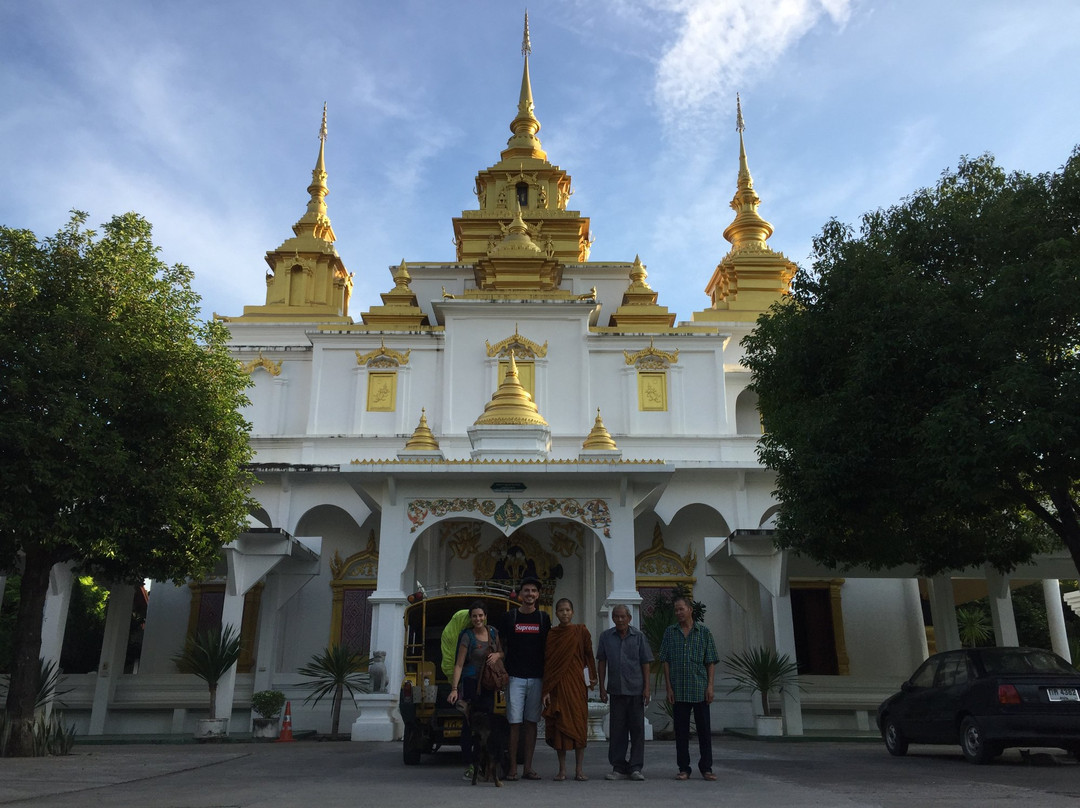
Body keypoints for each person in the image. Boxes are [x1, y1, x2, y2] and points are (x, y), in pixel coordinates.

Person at [658, 595, 719, 781]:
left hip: (700, 689)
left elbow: (710, 662)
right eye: (676, 610)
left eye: (681, 609)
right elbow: (665, 661)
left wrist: (710, 686)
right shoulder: (670, 632)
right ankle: (684, 768)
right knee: (682, 732)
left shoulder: (704, 632)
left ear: (690, 610)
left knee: (704, 731)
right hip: (679, 690)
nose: (678, 613)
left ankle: (706, 768)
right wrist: (668, 687)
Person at [500, 576, 551, 781]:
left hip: (537, 677)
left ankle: (528, 768)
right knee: (514, 723)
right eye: (526, 591)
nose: (530, 594)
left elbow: (549, 649)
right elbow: (501, 645)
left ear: (538, 595)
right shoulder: (509, 617)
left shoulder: (543, 619)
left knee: (531, 723)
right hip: (514, 677)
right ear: (520, 595)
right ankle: (512, 768)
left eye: (533, 591)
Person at [541, 598, 598, 781]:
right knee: (560, 727)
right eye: (561, 610)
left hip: (577, 685)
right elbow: (549, 663)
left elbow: (589, 655)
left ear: (572, 612)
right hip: (558, 686)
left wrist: (591, 678)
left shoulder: (581, 632)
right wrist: (547, 690)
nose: (564, 613)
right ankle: (562, 770)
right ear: (556, 613)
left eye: (567, 610)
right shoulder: (552, 634)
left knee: (579, 726)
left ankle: (579, 770)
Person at [596, 604, 653, 781]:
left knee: (637, 731)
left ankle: (636, 767)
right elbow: (602, 662)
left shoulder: (639, 636)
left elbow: (645, 662)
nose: (620, 619)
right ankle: (618, 767)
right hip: (616, 690)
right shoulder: (606, 637)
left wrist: (647, 688)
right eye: (616, 616)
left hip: (636, 690)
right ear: (613, 618)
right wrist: (602, 687)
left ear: (629, 618)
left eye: (623, 616)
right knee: (617, 730)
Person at [447, 600, 502, 781]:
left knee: (487, 727)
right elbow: (459, 664)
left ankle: (485, 765)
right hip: (470, 684)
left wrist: (497, 655)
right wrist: (455, 689)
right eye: (474, 616)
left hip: (488, 684)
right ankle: (470, 764)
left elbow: (502, 652)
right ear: (471, 618)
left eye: (481, 615)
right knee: (469, 727)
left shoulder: (493, 632)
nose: (478, 619)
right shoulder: (467, 636)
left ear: (485, 616)